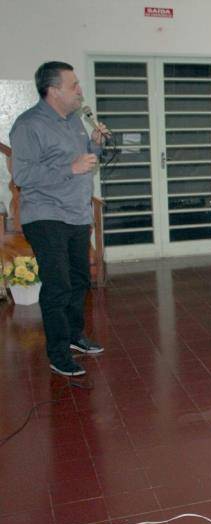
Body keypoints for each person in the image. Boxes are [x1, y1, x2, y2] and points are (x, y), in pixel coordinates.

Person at [9, 61, 110, 377]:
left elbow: (84, 162)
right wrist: (70, 168)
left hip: (76, 214)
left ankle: (74, 336)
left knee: (79, 280)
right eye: (74, 85)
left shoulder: (74, 121)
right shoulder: (28, 125)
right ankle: (58, 353)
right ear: (53, 91)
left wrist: (95, 144)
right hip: (46, 215)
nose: (80, 90)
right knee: (58, 285)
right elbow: (22, 175)